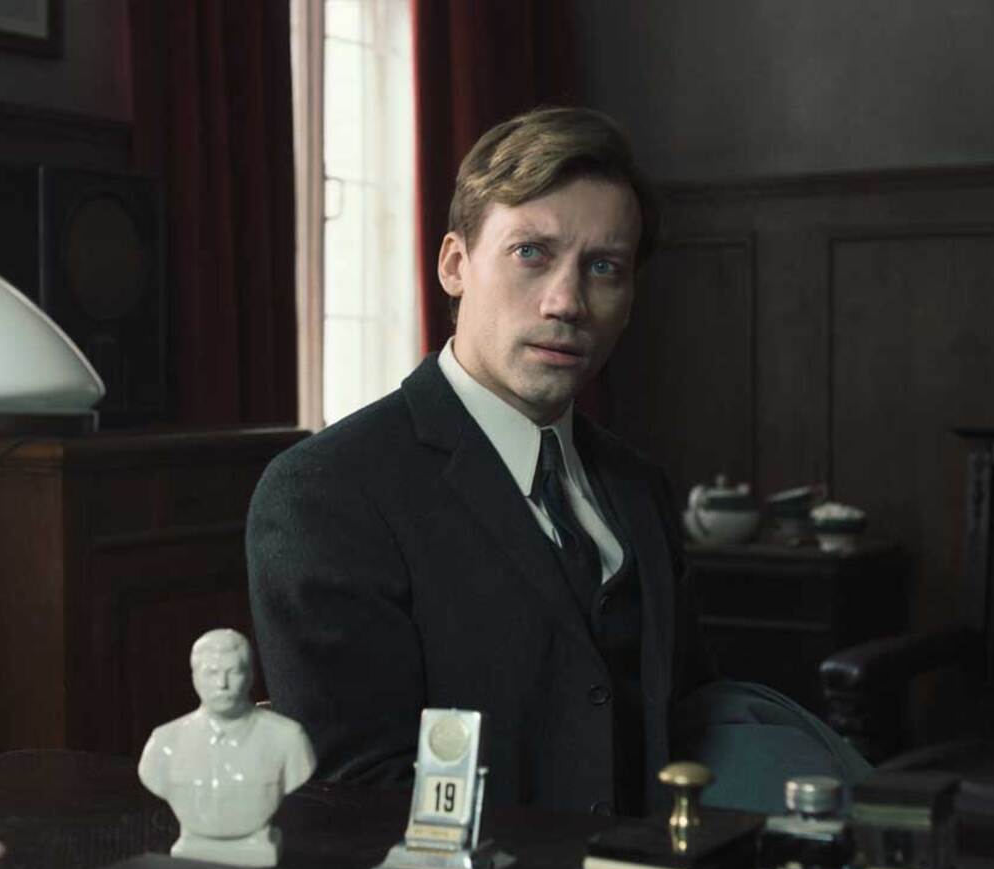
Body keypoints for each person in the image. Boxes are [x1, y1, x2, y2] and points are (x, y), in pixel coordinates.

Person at [247, 107, 866, 818]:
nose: (567, 302)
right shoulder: (325, 492)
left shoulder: (637, 486)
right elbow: (361, 801)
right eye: (531, 253)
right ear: (454, 264)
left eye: (603, 268)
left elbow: (685, 721)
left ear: (628, 300)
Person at [138, 629, 315, 865]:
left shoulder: (288, 739)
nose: (222, 684)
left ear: (250, 675)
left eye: (233, 672)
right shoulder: (164, 744)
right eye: (211, 673)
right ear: (195, 677)